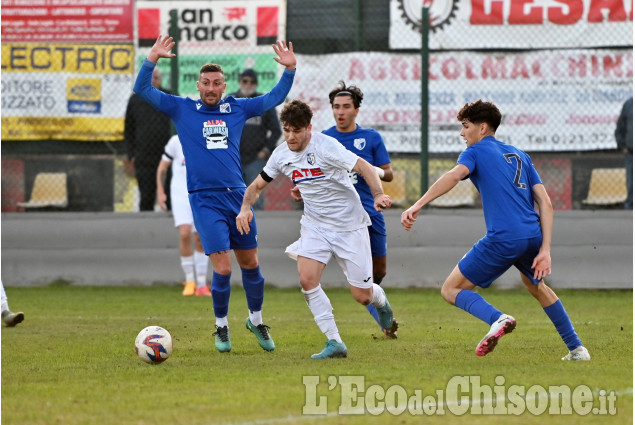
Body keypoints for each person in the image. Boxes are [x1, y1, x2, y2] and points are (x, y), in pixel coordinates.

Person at [133, 35, 296, 353]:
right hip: (204, 199)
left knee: (251, 265)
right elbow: (143, 89)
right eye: (205, 83)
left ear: (224, 86)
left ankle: (256, 319)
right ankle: (221, 328)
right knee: (222, 268)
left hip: (239, 197)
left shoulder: (237, 107)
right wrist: (151, 58)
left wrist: (289, 70)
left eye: (216, 83)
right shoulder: (182, 108)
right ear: (198, 85)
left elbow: (274, 97)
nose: (210, 88)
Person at [401, 100, 590, 361]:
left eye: (465, 126)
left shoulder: (475, 151)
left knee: (450, 290)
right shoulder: (520, 155)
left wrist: (418, 204)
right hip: (532, 235)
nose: (461, 133)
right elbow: (546, 203)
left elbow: (454, 176)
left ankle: (498, 319)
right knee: (536, 286)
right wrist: (545, 249)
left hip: (504, 237)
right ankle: (577, 349)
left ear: (482, 128)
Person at [237, 99, 399, 359]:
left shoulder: (326, 146)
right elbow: (256, 186)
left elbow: (364, 166)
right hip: (315, 225)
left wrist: (378, 194)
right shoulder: (280, 154)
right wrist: (245, 208)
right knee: (307, 279)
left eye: (297, 131)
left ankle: (381, 301)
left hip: (349, 226)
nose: (291, 136)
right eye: (287, 130)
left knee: (362, 296)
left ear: (309, 128)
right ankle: (335, 342)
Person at [322, 81, 394, 330]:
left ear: (356, 110)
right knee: (361, 274)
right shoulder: (325, 138)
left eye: (345, 106)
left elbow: (389, 174)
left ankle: (378, 299)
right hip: (343, 217)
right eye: (336, 107)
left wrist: (369, 169)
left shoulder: (371, 138)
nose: (340, 111)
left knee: (380, 270)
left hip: (371, 210)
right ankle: (384, 322)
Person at [157, 134, 211, 297]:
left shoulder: (206, 138)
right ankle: (189, 281)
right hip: (180, 195)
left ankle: (201, 284)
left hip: (201, 194)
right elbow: (162, 168)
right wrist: (160, 192)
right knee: (184, 233)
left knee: (200, 238)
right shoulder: (175, 140)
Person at [229, 69, 283, 210]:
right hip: (233, 158)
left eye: (252, 81)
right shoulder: (231, 101)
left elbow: (276, 130)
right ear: (240, 81)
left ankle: (256, 230)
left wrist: (265, 150)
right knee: (233, 197)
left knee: (255, 198)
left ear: (256, 84)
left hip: (255, 158)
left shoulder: (262, 102)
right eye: (245, 81)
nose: (248, 84)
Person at [124, 67, 173, 211]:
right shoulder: (135, 99)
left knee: (170, 194)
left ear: (161, 80)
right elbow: (129, 128)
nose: (154, 81)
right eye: (151, 78)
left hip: (167, 155)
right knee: (146, 196)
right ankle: (145, 225)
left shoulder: (168, 97)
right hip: (144, 156)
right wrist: (130, 154)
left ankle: (172, 225)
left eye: (157, 78)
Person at [615, 96, 633, 210]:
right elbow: (620, 126)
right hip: (631, 152)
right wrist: (623, 145)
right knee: (631, 182)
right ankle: (630, 208)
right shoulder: (629, 104)